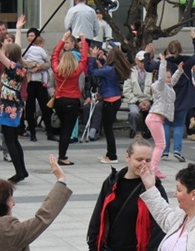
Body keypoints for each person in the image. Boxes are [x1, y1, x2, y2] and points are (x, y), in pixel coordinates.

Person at [146, 28, 195, 163]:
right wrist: (194, 38)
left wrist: (148, 54)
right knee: (179, 124)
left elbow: (148, 66)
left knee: (165, 123)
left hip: (167, 97)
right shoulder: (186, 62)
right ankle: (177, 150)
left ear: (168, 50)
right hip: (183, 97)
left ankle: (165, 151)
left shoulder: (164, 63)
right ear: (180, 50)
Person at [0, 18, 29, 182]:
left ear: (10, 55)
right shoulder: (20, 66)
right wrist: (18, 29)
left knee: (10, 140)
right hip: (14, 106)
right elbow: (16, 47)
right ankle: (22, 170)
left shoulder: (12, 66)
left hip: (9, 107)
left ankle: (19, 172)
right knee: (14, 140)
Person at [88, 45, 132, 163]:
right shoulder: (115, 68)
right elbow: (105, 69)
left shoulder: (108, 70)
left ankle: (112, 156)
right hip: (116, 99)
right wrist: (102, 58)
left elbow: (92, 72)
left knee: (108, 130)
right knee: (108, 128)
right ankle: (109, 153)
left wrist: (92, 57)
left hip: (109, 100)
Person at [51, 31, 89, 165]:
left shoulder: (57, 69)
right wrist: (83, 41)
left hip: (59, 100)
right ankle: (62, 156)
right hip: (72, 100)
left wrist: (62, 39)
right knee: (68, 129)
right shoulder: (76, 71)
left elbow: (54, 55)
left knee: (63, 128)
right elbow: (84, 58)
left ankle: (61, 154)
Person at [145, 56, 182, 179]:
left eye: (169, 77)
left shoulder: (168, 86)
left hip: (157, 118)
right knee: (161, 145)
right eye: (167, 77)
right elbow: (162, 78)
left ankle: (153, 167)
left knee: (159, 144)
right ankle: (153, 169)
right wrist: (163, 63)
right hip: (154, 117)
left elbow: (172, 81)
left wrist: (179, 71)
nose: (169, 79)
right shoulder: (159, 86)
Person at [23, 26, 54, 141]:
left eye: (33, 36)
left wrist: (38, 67)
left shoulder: (43, 51)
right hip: (30, 81)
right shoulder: (25, 50)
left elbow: (48, 63)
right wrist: (33, 65)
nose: (30, 38)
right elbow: (22, 62)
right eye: (29, 36)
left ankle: (49, 131)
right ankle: (32, 132)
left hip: (40, 82)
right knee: (30, 107)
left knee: (45, 106)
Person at [123, 50, 154, 139]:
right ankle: (134, 130)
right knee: (134, 112)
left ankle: (149, 129)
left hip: (148, 99)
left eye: (145, 61)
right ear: (136, 61)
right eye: (141, 61)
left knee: (154, 111)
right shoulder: (130, 72)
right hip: (135, 99)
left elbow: (156, 89)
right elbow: (127, 91)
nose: (143, 63)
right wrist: (137, 102)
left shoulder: (152, 71)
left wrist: (150, 101)